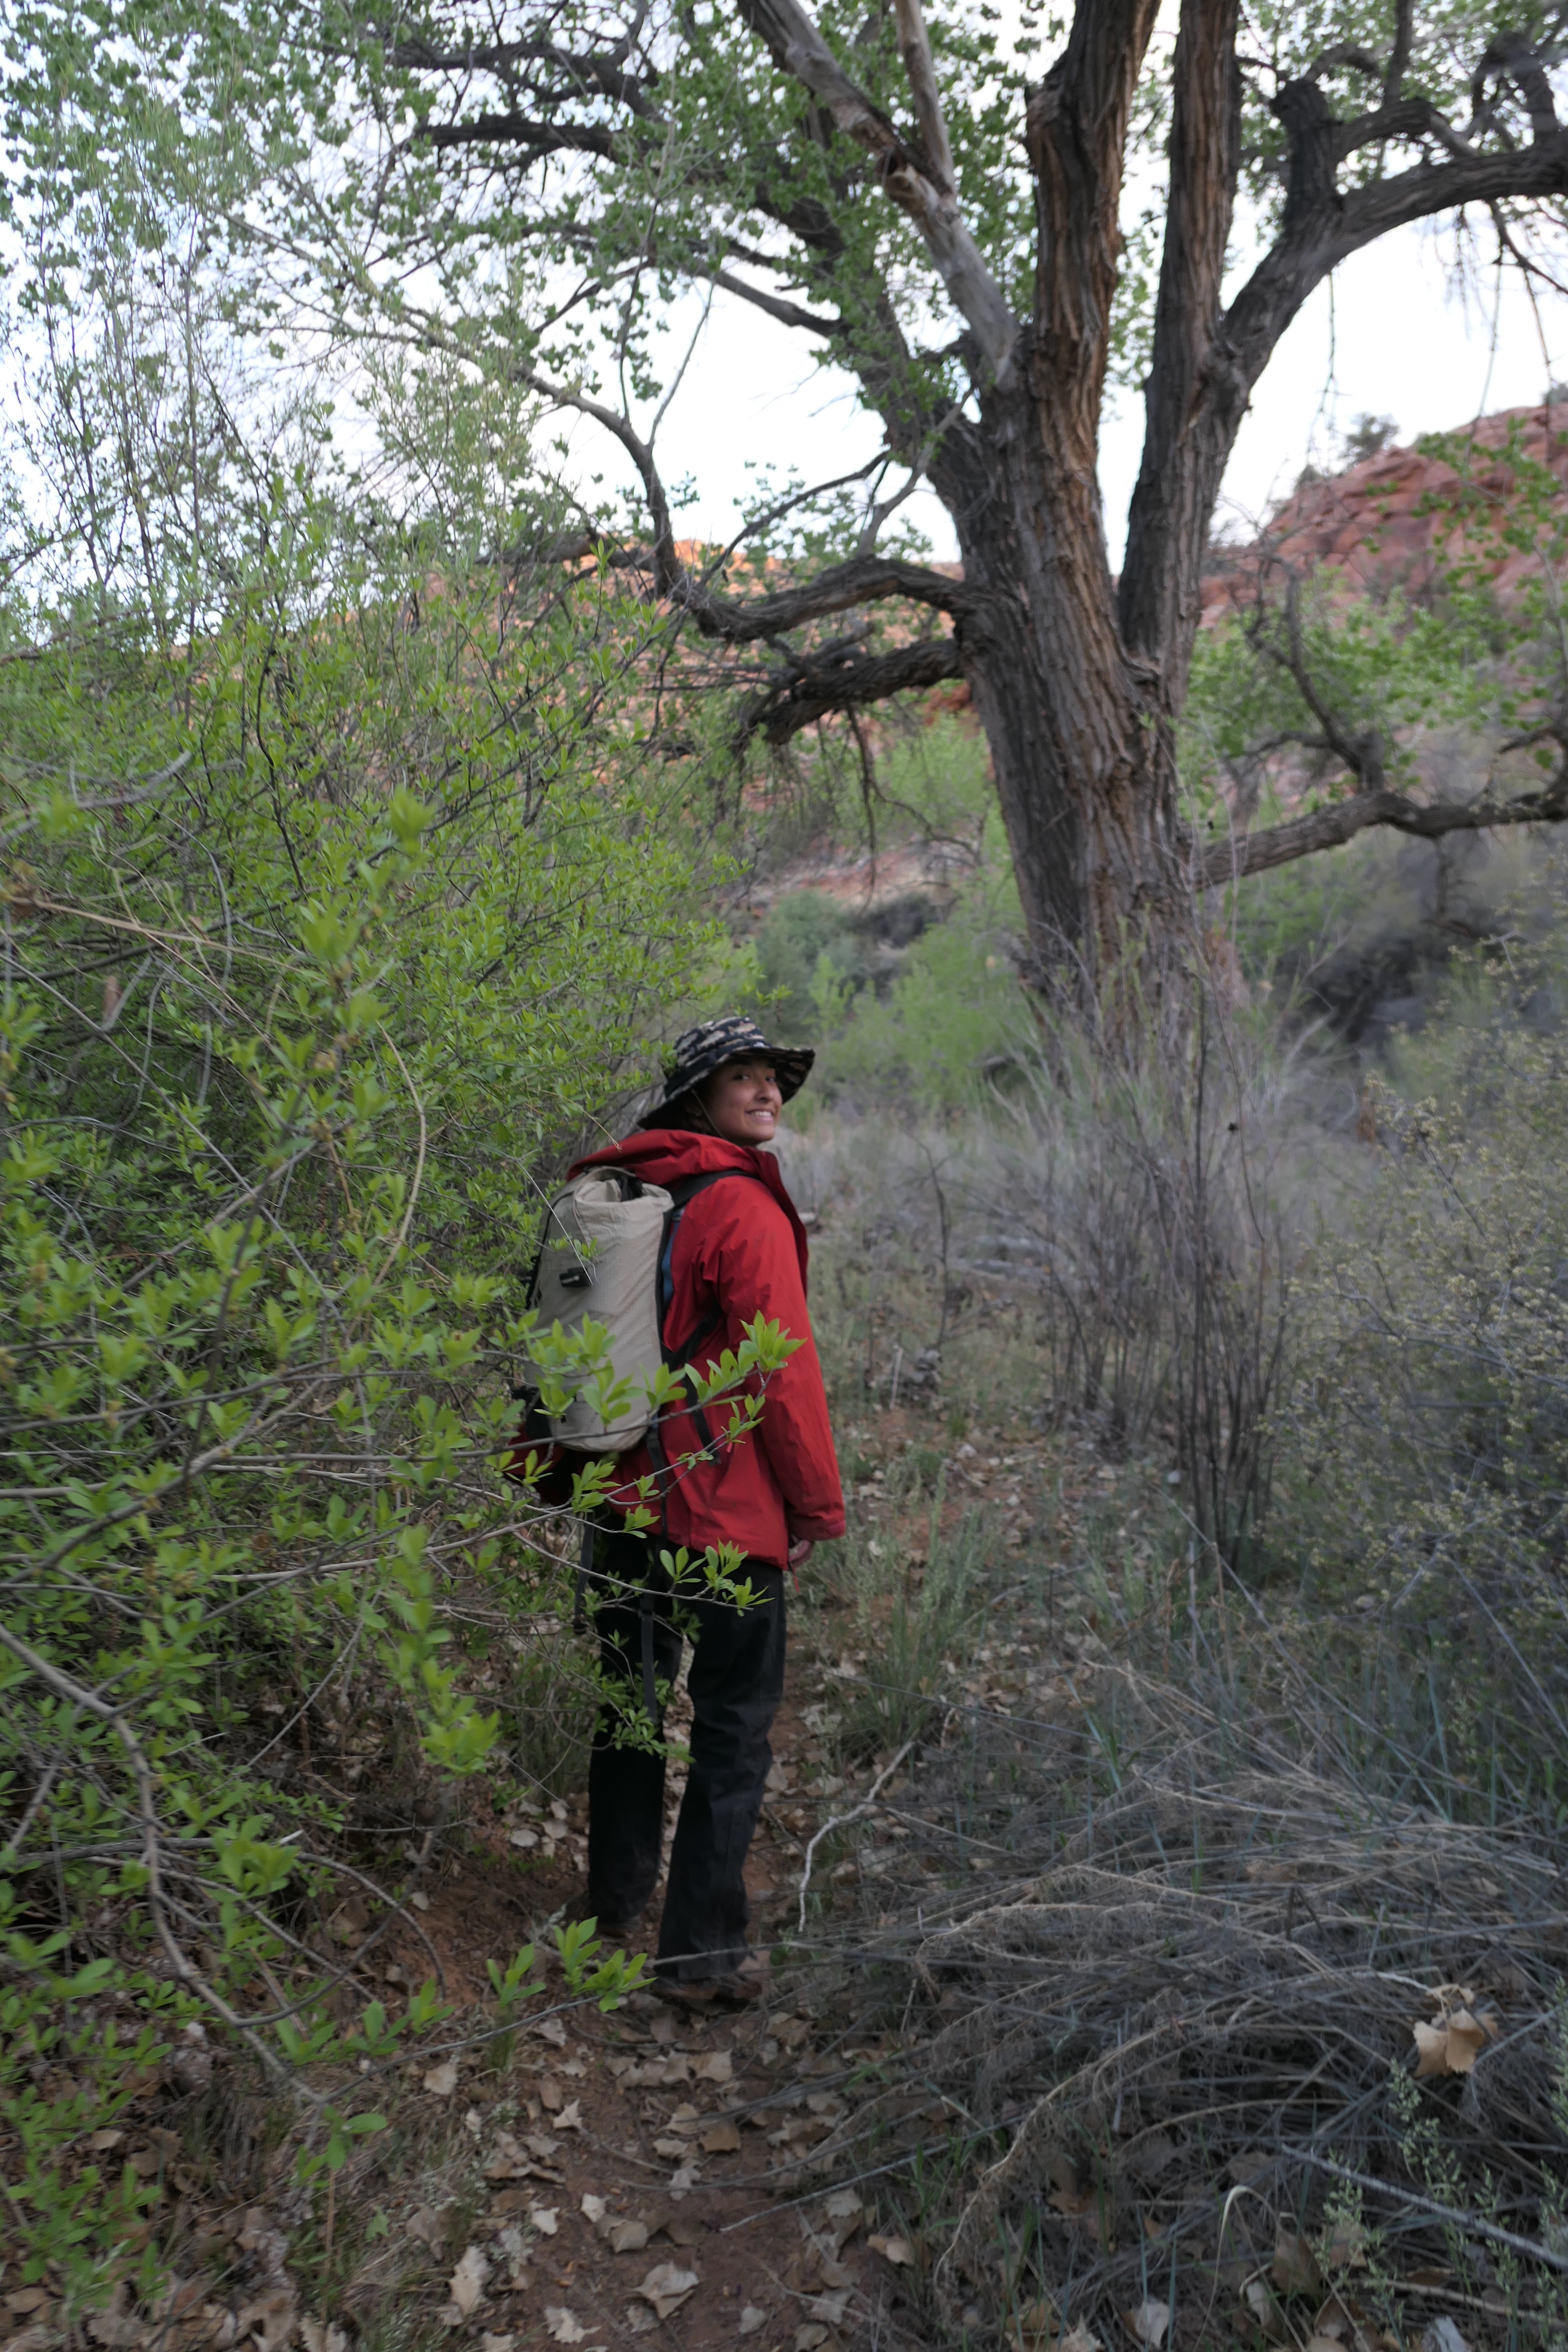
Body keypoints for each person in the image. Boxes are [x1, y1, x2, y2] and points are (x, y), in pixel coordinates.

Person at [519, 1016, 844, 2006]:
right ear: (697, 1096)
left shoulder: (634, 1188)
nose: (765, 1094)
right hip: (722, 1513)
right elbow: (783, 1378)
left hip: (622, 1497)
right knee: (734, 1728)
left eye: (771, 1079)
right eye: (741, 1078)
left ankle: (614, 1903)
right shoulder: (742, 1208)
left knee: (630, 1704)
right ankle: (700, 1959)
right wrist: (820, 1507)